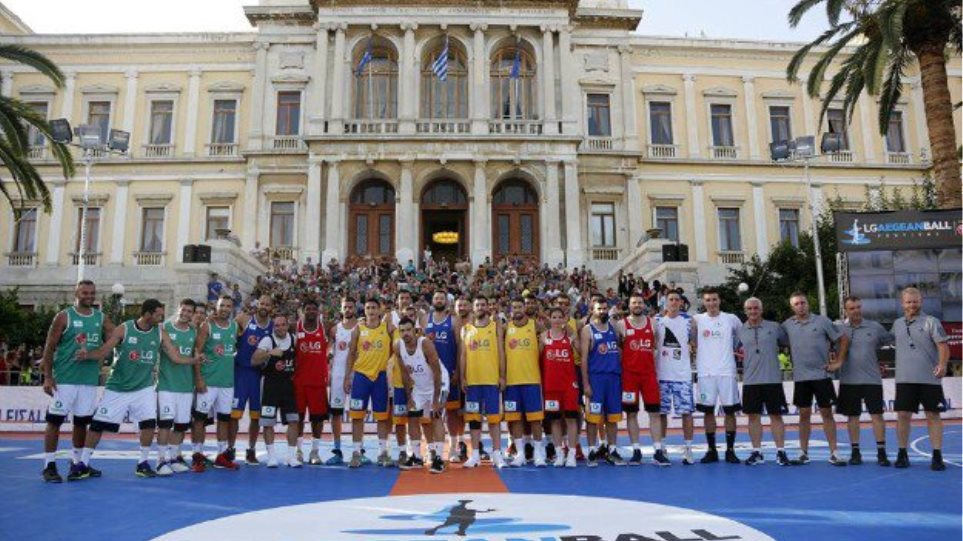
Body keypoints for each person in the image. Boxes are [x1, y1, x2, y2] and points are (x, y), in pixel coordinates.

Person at [78, 299, 198, 478]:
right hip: (118, 387)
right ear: (148, 314)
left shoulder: (160, 332)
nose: (161, 318)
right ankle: (82, 463)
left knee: (148, 424)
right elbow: (103, 351)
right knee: (97, 425)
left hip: (144, 387)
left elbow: (175, 357)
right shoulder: (125, 329)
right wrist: (87, 355)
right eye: (158, 315)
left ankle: (143, 462)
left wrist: (194, 360)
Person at [39, 280, 115, 483]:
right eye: (85, 293)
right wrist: (48, 376)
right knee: (54, 421)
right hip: (64, 379)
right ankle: (49, 465)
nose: (89, 296)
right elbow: (49, 347)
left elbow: (117, 337)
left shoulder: (101, 318)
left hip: (88, 380)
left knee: (81, 423)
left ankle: (77, 463)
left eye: (92, 293)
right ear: (76, 294)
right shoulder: (64, 316)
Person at [782, 292, 849, 466]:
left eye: (803, 302)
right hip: (801, 378)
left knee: (827, 413)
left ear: (808, 303)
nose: (800, 306)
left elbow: (843, 339)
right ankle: (803, 453)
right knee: (803, 414)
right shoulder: (787, 325)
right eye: (796, 304)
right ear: (792, 307)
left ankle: (834, 453)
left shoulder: (822, 321)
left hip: (822, 376)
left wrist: (838, 362)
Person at [892, 287, 950, 471]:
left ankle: (937, 455)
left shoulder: (931, 321)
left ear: (921, 301)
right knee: (903, 416)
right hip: (904, 379)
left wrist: (942, 365)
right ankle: (902, 454)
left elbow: (943, 346)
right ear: (902, 304)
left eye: (915, 301)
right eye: (908, 302)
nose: (912, 305)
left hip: (929, 379)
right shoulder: (897, 324)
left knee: (933, 415)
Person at [836, 296, 895, 466]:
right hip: (848, 380)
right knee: (852, 417)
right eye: (852, 308)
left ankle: (881, 453)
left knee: (877, 415)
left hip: (872, 380)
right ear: (845, 310)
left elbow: (889, 342)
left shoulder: (875, 327)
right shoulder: (838, 328)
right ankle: (855, 452)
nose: (856, 311)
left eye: (858, 307)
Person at [692, 288, 744, 464]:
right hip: (705, 373)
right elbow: (692, 341)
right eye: (708, 300)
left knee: (730, 411)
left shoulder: (731, 319)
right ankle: (711, 450)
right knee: (708, 412)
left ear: (719, 300)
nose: (711, 303)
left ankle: (730, 450)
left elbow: (742, 338)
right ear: (703, 302)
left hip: (726, 372)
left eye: (714, 299)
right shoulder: (697, 320)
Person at [737, 297, 791, 466]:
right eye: (749, 309)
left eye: (756, 308)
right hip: (750, 381)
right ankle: (757, 452)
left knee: (776, 416)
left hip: (772, 379)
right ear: (745, 311)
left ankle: (781, 452)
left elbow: (788, 343)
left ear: (761, 309)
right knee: (753, 417)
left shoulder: (775, 327)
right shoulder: (740, 330)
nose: (753, 311)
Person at [619, 292, 668, 466]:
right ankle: (636, 450)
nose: (637, 305)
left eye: (640, 302)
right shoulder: (621, 325)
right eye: (634, 303)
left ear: (644, 305)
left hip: (648, 376)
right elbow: (618, 350)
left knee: (654, 413)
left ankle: (658, 450)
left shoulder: (653, 323)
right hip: (629, 377)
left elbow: (657, 347)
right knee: (631, 413)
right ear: (629, 305)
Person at [191, 295, 240, 472]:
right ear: (216, 307)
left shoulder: (234, 326)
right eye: (222, 305)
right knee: (200, 419)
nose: (225, 308)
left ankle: (221, 455)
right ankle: (197, 456)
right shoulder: (207, 325)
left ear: (232, 308)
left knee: (224, 419)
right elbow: (196, 352)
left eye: (228, 306)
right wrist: (198, 378)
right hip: (208, 381)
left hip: (227, 383)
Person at [344, 297, 394, 468]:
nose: (371, 311)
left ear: (379, 310)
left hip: (380, 377)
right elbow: (351, 353)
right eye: (368, 308)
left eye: (374, 308)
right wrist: (347, 377)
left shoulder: (387, 327)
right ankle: (356, 453)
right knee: (357, 417)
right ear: (364, 311)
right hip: (361, 377)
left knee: (382, 418)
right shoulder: (358, 328)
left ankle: (383, 453)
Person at [396, 317, 448, 474]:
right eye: (402, 331)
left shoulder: (425, 344)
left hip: (438, 384)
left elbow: (437, 372)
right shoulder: (398, 346)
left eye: (408, 330)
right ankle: (416, 457)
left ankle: (439, 458)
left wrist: (436, 400)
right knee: (412, 416)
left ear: (415, 331)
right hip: (419, 386)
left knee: (436, 416)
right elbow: (405, 374)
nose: (405, 333)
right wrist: (409, 398)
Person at [460, 295, 506, 469]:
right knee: (474, 420)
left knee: (494, 419)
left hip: (491, 380)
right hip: (473, 381)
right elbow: (463, 355)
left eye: (483, 304)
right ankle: (475, 455)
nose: (480, 307)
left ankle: (497, 454)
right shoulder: (466, 329)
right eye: (477, 305)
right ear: (473, 308)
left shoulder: (495, 327)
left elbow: (501, 352)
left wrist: (502, 376)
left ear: (487, 307)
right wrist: (463, 377)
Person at [156, 298, 199, 475]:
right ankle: (160, 461)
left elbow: (196, 355)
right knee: (165, 424)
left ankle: (174, 458)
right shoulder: (164, 328)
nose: (185, 313)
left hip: (186, 386)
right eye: (183, 309)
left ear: (193, 314)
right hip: (167, 385)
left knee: (181, 425)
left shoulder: (193, 332)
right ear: (178, 309)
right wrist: (194, 360)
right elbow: (174, 358)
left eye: (189, 311)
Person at [581, 297, 625, 467]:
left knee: (612, 418)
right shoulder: (588, 330)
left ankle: (612, 450)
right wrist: (586, 383)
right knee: (593, 418)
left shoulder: (614, 327)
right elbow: (584, 359)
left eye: (605, 308)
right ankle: (592, 451)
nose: (603, 311)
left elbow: (620, 351)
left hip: (613, 379)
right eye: (599, 308)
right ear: (593, 310)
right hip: (596, 379)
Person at [252, 313, 300, 468]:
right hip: (270, 386)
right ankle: (272, 457)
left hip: (288, 386)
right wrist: (269, 353)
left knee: (293, 421)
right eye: (277, 325)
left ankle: (291, 457)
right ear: (273, 327)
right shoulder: (267, 340)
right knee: (268, 423)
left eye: (283, 324)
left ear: (287, 325)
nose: (280, 328)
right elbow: (254, 360)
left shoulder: (294, 339)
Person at [230, 295, 274, 465]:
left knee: (256, 417)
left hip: (259, 376)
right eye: (262, 303)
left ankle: (251, 449)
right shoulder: (244, 319)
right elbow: (228, 331)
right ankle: (230, 449)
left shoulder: (273, 326)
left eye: (267, 304)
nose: (264, 306)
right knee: (234, 415)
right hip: (240, 373)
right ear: (257, 304)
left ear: (271, 307)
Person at [504, 298, 546, 467]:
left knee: (535, 419)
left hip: (532, 379)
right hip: (511, 381)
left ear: (525, 307)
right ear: (510, 310)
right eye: (514, 307)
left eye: (520, 306)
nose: (517, 309)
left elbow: (550, 337)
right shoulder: (505, 327)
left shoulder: (535, 325)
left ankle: (538, 453)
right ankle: (520, 453)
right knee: (515, 419)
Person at [655, 291, 696, 465]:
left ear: (681, 302)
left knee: (687, 413)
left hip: (683, 376)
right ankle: (662, 447)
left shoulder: (689, 321)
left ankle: (688, 449)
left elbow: (694, 344)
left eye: (676, 299)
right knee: (661, 414)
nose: (673, 302)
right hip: (662, 375)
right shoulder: (657, 321)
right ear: (665, 302)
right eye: (670, 299)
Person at [425, 290, 466, 463]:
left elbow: (460, 347)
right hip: (428, 375)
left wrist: (457, 370)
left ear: (446, 302)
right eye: (436, 298)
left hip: (449, 373)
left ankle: (453, 448)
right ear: (432, 301)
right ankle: (432, 449)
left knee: (452, 412)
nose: (439, 300)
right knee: (430, 412)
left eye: (441, 298)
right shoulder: (425, 319)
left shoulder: (454, 321)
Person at [540, 307, 579, 467]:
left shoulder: (570, 337)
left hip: (569, 385)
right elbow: (538, 358)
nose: (556, 320)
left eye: (559, 317)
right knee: (554, 421)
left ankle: (572, 454)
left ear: (564, 319)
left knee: (571, 419)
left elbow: (581, 352)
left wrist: (571, 333)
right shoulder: (544, 337)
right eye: (554, 317)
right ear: (549, 319)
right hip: (551, 386)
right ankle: (559, 454)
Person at [294, 298, 329, 466]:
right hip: (299, 381)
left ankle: (315, 451)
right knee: (298, 418)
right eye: (308, 309)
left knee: (317, 419)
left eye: (314, 309)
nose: (311, 312)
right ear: (303, 311)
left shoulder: (325, 327)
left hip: (318, 381)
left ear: (318, 312)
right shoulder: (295, 327)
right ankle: (298, 450)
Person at [326, 297, 358, 465]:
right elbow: (329, 349)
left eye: (350, 307)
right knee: (336, 413)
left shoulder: (361, 327)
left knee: (357, 413)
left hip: (356, 374)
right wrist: (328, 355)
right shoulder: (334, 329)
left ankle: (358, 450)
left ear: (355, 308)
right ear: (341, 309)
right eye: (345, 307)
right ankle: (337, 450)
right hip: (338, 375)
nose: (348, 310)